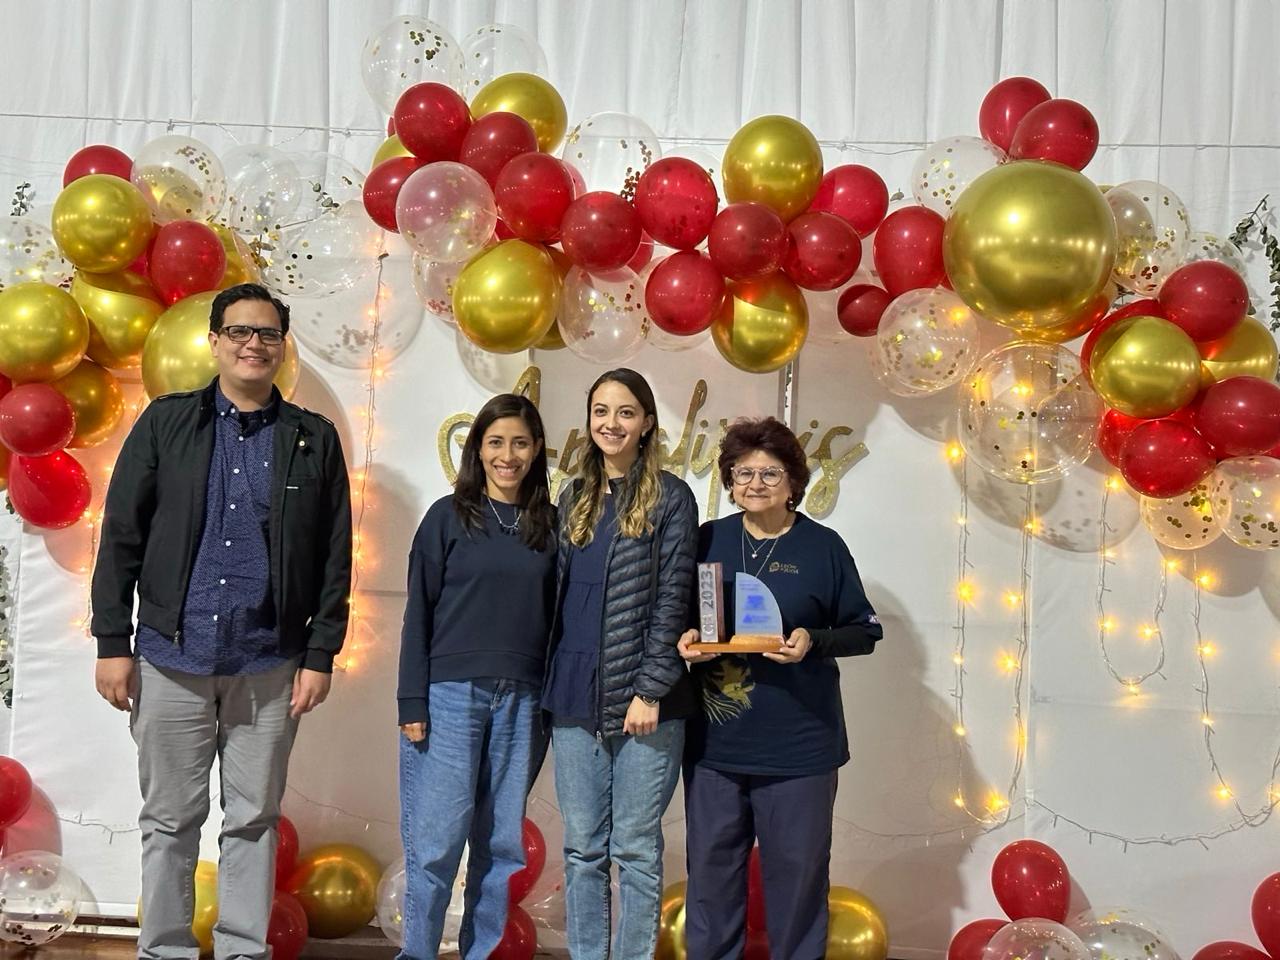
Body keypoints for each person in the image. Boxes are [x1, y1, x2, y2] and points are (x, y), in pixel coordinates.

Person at [91, 282, 351, 960]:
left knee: (254, 820)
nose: (252, 344)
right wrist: (112, 641)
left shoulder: (312, 439)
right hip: (170, 657)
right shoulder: (165, 423)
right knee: (169, 820)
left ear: (281, 347)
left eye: (267, 334)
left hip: (269, 664)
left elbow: (335, 554)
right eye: (239, 331)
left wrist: (320, 653)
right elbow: (121, 534)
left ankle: (242, 950)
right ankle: (164, 951)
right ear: (214, 341)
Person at [677, 416, 883, 960]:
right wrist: (688, 640)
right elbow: (680, 617)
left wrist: (813, 641)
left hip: (800, 748)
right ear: (729, 480)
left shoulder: (823, 547)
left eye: (770, 473)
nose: (755, 484)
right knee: (711, 884)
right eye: (743, 473)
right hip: (714, 748)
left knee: (797, 886)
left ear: (793, 480)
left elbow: (864, 631)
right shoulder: (708, 539)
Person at [543, 368, 698, 959]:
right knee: (582, 848)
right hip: (574, 696)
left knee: (634, 847)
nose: (612, 423)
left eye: (626, 412)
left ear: (648, 423)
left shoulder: (672, 498)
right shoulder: (572, 496)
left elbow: (673, 598)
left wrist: (651, 689)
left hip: (646, 701)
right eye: (601, 411)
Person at [396, 393, 557, 960]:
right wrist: (411, 702)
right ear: (478, 449)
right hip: (448, 698)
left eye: (520, 443)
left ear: (536, 451)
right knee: (435, 845)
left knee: (501, 846)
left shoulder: (550, 525)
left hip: (524, 700)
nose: (507, 455)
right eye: (496, 442)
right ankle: (417, 953)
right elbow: (418, 612)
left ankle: (480, 953)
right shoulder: (447, 517)